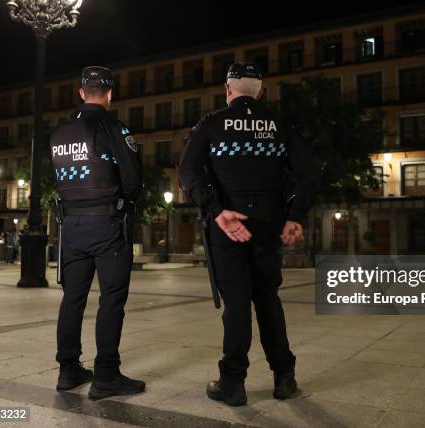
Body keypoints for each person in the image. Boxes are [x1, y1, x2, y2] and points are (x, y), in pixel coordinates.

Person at [178, 63, 316, 406]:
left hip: (228, 222)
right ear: (261, 90)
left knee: (237, 301)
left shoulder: (211, 124)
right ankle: (284, 377)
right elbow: (308, 174)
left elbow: (188, 170)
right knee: (268, 297)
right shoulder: (280, 124)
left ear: (228, 89)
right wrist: (294, 216)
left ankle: (233, 383)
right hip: (269, 219)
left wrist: (215, 209)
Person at [50, 66, 145, 400]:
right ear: (109, 95)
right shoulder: (114, 128)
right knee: (111, 299)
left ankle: (68, 369)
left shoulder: (59, 133)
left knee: (72, 298)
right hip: (107, 225)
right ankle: (105, 375)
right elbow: (133, 181)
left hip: (71, 226)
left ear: (80, 92)